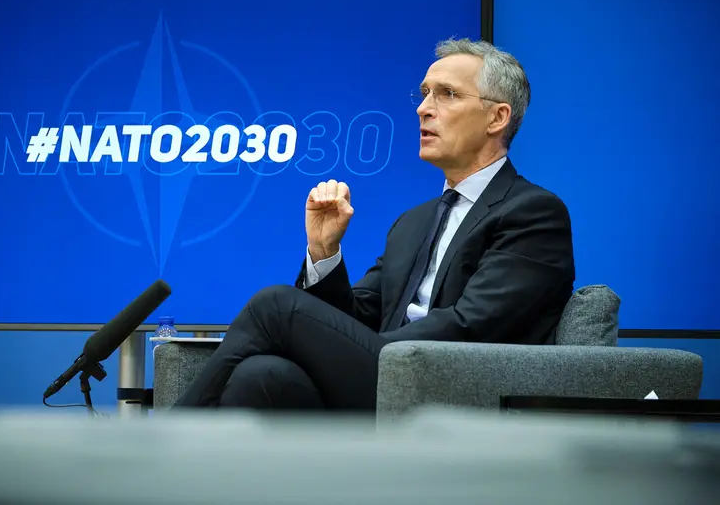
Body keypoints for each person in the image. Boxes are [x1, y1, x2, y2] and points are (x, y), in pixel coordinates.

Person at [175, 38, 575, 412]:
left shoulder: (533, 212)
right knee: (260, 376)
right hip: (383, 380)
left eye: (447, 94)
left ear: (497, 117)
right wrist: (323, 252)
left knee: (274, 305)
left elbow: (471, 326)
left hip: (454, 394)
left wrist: (350, 348)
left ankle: (163, 451)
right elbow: (357, 316)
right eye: (424, 94)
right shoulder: (414, 221)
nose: (424, 108)